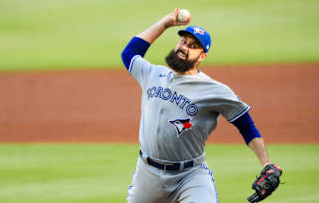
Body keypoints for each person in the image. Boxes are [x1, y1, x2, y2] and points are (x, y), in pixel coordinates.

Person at [121, 9, 282, 203]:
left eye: (194, 46)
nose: (185, 47)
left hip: (190, 176)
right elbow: (129, 53)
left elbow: (246, 125)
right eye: (183, 42)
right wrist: (164, 23)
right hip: (147, 174)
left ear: (202, 57)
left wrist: (267, 163)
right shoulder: (153, 74)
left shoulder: (214, 90)